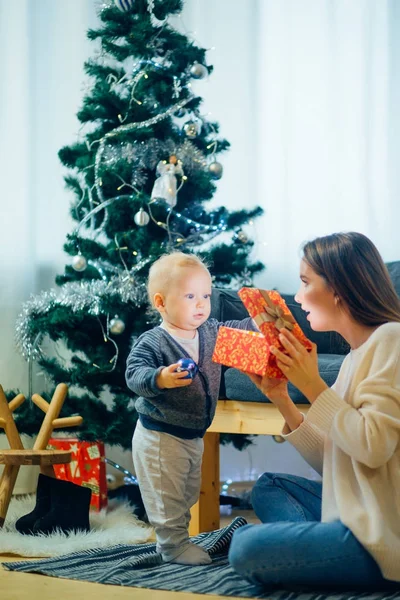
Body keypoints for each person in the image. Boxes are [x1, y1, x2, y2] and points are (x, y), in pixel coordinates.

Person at [229, 232, 400, 591]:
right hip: (357, 510)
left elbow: (373, 447)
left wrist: (311, 385)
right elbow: (335, 462)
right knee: (269, 487)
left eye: (306, 282)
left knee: (245, 547)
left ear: (338, 288)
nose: (299, 297)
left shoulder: (391, 340)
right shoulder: (355, 357)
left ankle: (324, 549)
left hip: (384, 531)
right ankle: (321, 545)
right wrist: (283, 399)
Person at [125, 252, 255, 565]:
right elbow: (134, 373)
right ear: (161, 302)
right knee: (166, 497)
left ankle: (176, 541)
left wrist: (258, 323)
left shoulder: (209, 332)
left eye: (206, 296)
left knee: (186, 494)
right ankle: (173, 546)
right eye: (190, 296)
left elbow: (236, 330)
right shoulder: (154, 342)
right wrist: (161, 378)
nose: (201, 304)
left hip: (193, 433)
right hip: (160, 435)